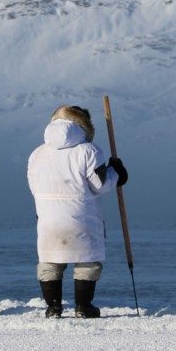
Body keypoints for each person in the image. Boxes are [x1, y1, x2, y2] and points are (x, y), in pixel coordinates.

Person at [27, 105, 128, 318]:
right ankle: (83, 307)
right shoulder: (89, 151)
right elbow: (99, 185)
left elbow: (33, 186)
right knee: (87, 259)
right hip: (82, 216)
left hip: (48, 218)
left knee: (50, 260)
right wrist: (115, 173)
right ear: (84, 125)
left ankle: (53, 307)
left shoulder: (37, 153)